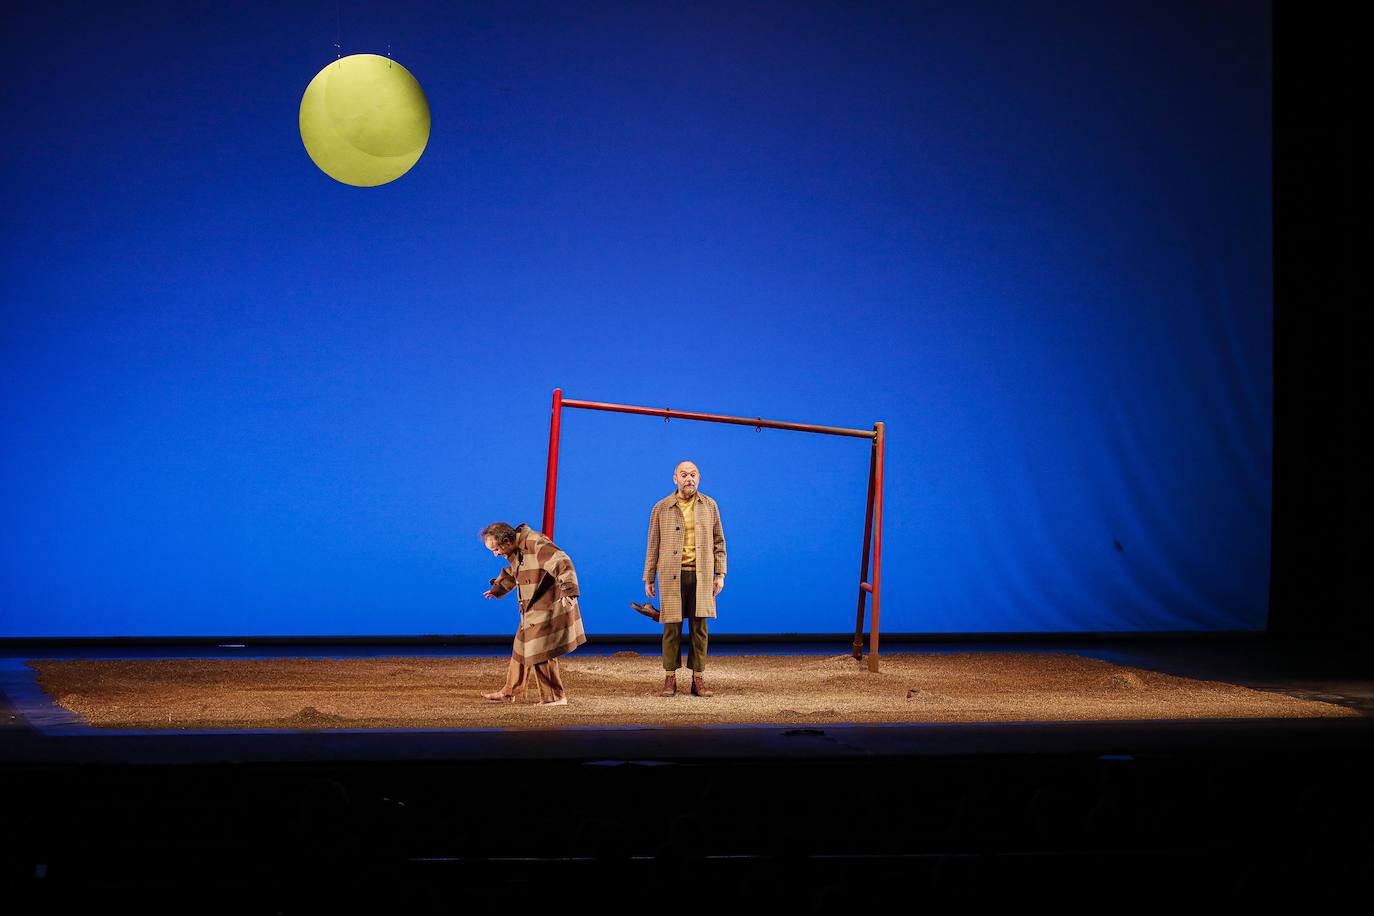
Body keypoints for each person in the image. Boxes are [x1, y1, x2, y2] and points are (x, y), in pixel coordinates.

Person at [643, 460, 727, 697]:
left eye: (692, 475)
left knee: (700, 628)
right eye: (683, 474)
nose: (688, 479)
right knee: (671, 628)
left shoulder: (709, 506)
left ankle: (697, 679)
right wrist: (649, 577)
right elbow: (653, 545)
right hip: (671, 576)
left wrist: (720, 575)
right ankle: (670, 677)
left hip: (701, 576)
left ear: (698, 478)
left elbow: (719, 542)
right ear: (675, 478)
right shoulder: (661, 507)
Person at [480, 521, 586, 705]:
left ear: (506, 541)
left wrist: (569, 590)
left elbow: (562, 561)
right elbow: (514, 571)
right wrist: (497, 589)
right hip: (531, 608)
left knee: (540, 649)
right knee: (521, 646)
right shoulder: (517, 549)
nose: (496, 554)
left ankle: (555, 697)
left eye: (496, 549)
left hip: (549, 605)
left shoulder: (535, 543)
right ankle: (510, 691)